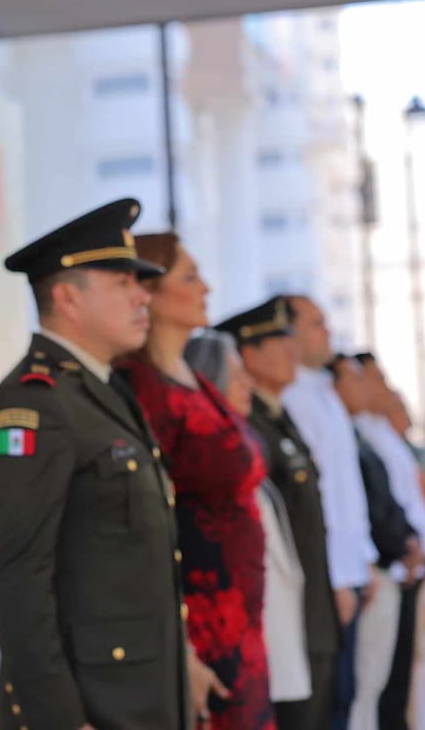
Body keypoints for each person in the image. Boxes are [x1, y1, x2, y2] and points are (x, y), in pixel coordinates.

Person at [0, 198, 189, 730]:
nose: (144, 297)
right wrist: (60, 719)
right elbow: (16, 579)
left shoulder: (102, 392)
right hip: (92, 708)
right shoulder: (31, 407)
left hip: (142, 695)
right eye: (124, 283)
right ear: (68, 297)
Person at [119, 234, 273, 730]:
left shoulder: (190, 375)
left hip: (239, 610)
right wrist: (182, 646)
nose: (206, 287)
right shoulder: (141, 386)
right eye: (189, 277)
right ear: (150, 292)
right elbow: (142, 520)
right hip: (199, 618)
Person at [216, 296, 338, 730]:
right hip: (287, 622)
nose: (293, 354)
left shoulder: (282, 420)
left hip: (314, 611)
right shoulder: (254, 432)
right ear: (249, 353)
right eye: (281, 344)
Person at [279, 296, 377, 730]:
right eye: (316, 324)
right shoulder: (294, 397)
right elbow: (319, 499)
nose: (327, 333)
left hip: (350, 568)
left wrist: (363, 560)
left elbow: (346, 491)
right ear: (291, 331)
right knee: (330, 699)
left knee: (348, 691)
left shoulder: (323, 392)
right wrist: (338, 577)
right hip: (331, 575)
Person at [325, 354, 417, 730]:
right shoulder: (340, 429)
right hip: (366, 569)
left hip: (380, 564)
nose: (367, 387)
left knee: (379, 682)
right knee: (359, 687)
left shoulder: (365, 434)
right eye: (357, 379)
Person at [353, 364, 425, 730]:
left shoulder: (387, 440)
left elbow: (411, 501)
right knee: (375, 680)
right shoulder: (365, 435)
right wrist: (406, 546)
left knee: (402, 670)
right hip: (387, 565)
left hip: (408, 559)